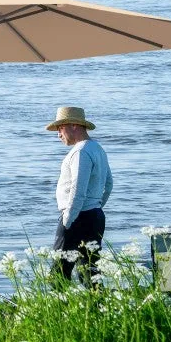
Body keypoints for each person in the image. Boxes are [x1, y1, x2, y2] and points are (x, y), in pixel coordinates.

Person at [46, 106, 113, 286]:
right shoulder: (97, 148)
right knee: (90, 274)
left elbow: (78, 189)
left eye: (60, 128)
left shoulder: (80, 151)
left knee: (58, 274)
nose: (58, 134)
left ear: (74, 125)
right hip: (94, 216)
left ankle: (60, 312)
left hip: (77, 217)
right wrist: (96, 206)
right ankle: (97, 310)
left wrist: (68, 220)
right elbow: (108, 184)